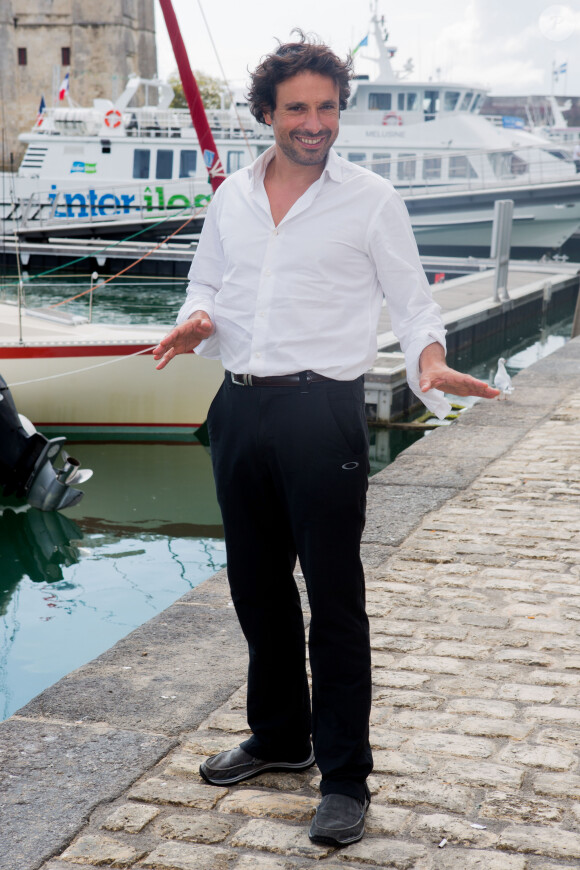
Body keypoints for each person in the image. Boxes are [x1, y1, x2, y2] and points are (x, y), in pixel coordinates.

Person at [153, 33, 500, 847]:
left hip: (323, 413)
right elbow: (207, 283)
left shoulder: (371, 199)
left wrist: (433, 361)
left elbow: (412, 303)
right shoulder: (230, 197)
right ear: (268, 113)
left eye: (327, 108)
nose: (315, 124)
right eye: (298, 109)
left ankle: (345, 776)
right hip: (237, 409)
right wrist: (195, 320)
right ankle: (281, 738)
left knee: (334, 601)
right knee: (257, 588)